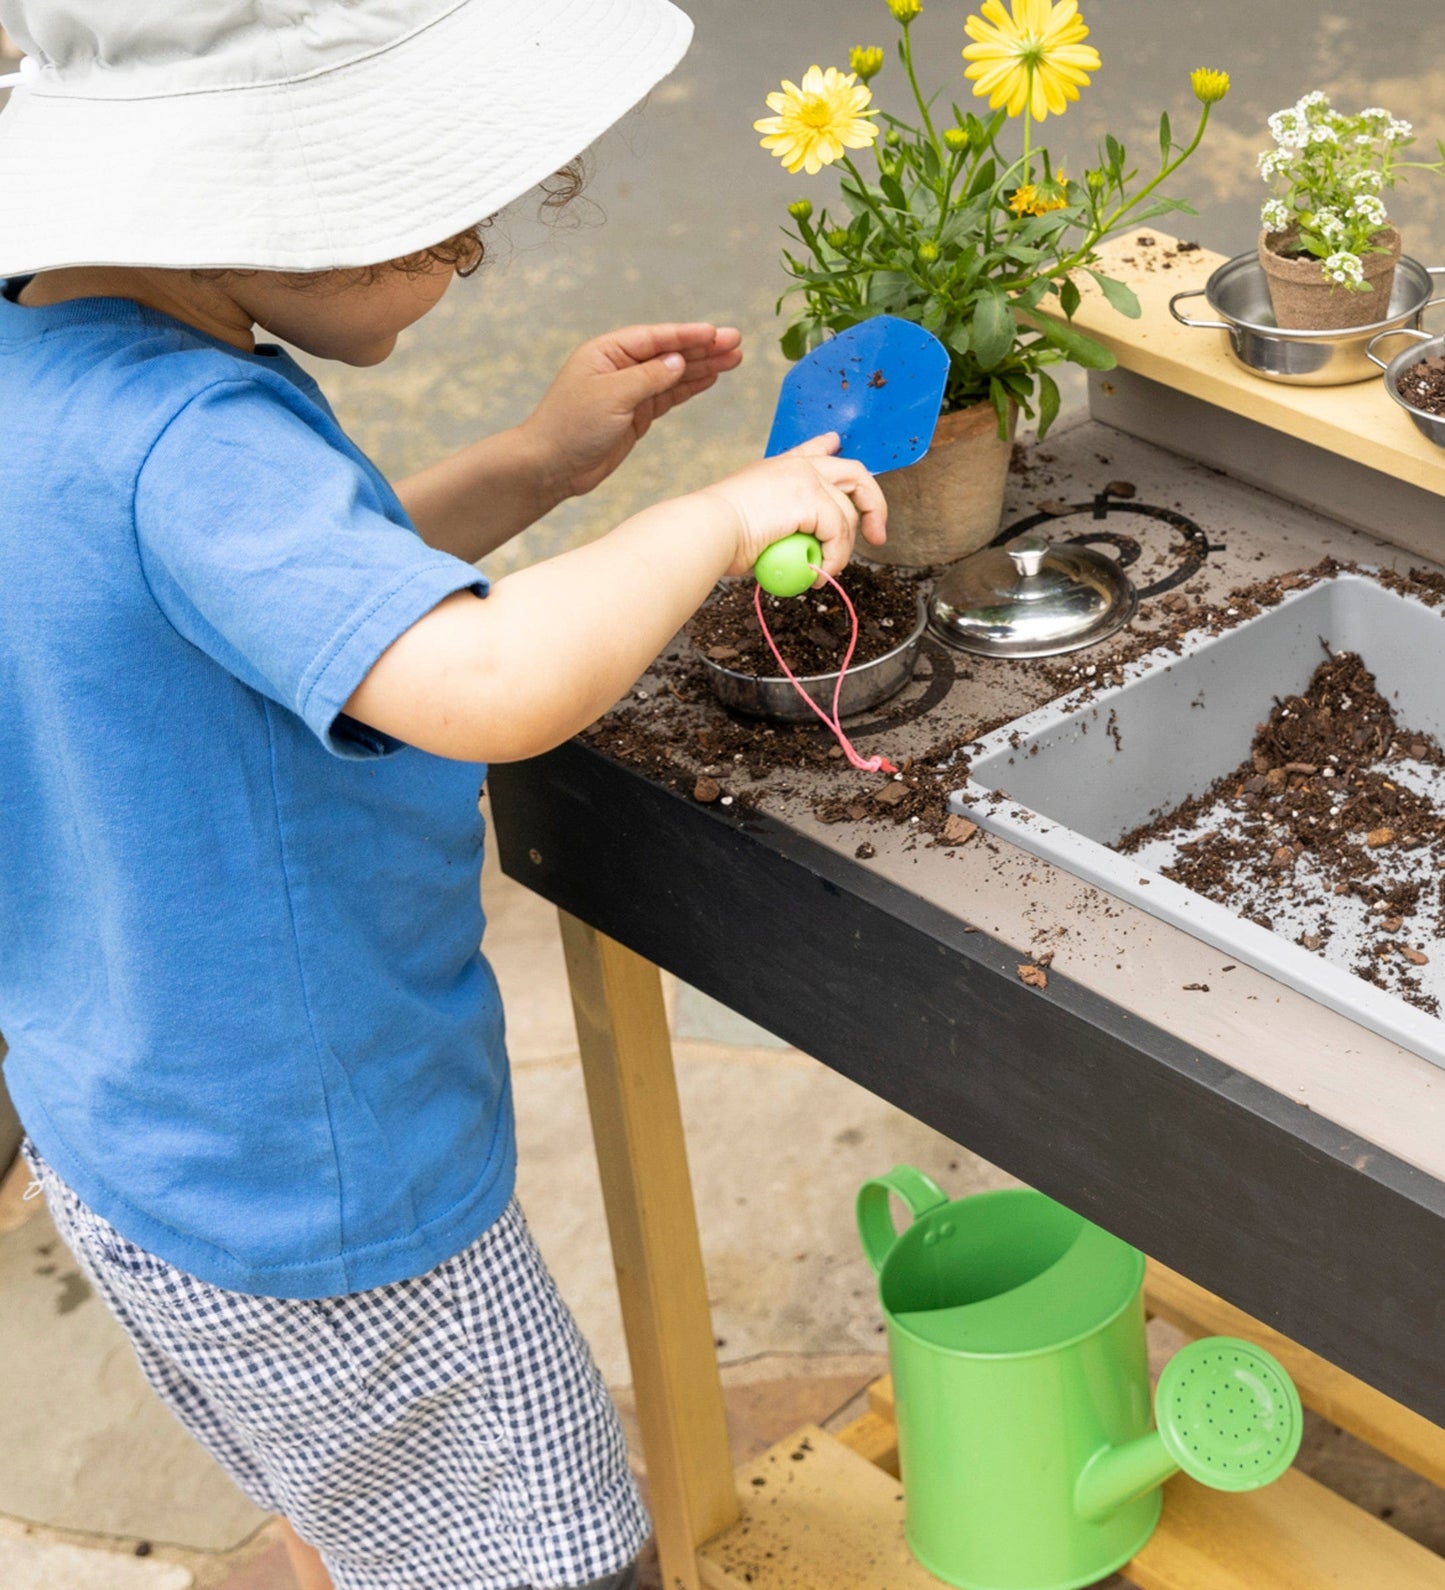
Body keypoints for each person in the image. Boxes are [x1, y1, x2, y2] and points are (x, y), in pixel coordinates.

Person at [0, 2, 887, 1587]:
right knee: (544, 1551)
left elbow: (280, 608)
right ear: (267, 204)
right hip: (322, 1187)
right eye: (447, 231)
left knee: (382, 1525)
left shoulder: (55, 370)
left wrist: (534, 464)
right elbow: (480, 684)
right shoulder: (200, 441)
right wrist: (715, 514)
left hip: (135, 1140)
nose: (471, 256)